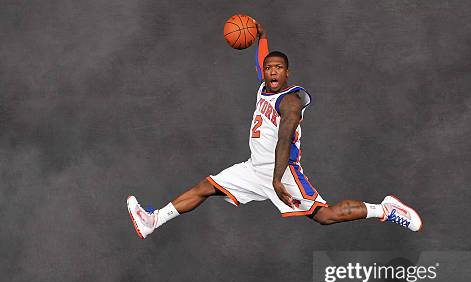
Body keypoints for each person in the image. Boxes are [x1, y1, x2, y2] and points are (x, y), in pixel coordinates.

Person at [127, 20, 422, 239]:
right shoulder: (264, 88)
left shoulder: (290, 101)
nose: (272, 72)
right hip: (256, 168)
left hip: (283, 171)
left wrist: (278, 180)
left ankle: (384, 209)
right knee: (206, 187)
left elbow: (284, 140)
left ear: (287, 72)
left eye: (278, 68)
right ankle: (153, 221)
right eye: (269, 68)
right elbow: (261, 57)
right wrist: (261, 35)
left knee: (326, 216)